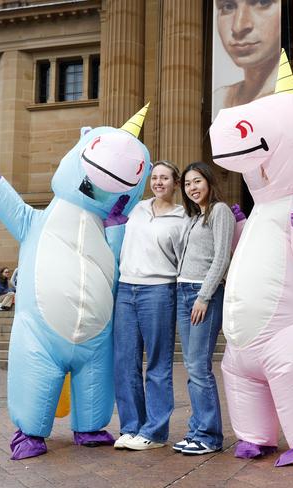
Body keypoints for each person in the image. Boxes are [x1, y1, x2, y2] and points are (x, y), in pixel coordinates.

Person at [112, 160, 187, 451]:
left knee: (157, 364)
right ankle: (131, 428)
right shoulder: (137, 209)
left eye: (165, 178)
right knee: (125, 362)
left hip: (159, 290)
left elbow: (182, 262)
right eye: (154, 177)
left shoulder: (182, 219)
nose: (158, 182)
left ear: (175, 184)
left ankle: (154, 432)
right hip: (126, 288)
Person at [173, 161, 234, 455]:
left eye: (196, 181)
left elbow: (222, 256)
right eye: (187, 184)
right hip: (183, 290)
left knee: (199, 366)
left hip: (202, 293)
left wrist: (204, 295)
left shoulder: (219, 211)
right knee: (192, 366)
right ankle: (197, 430)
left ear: (209, 181)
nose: (192, 188)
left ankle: (210, 436)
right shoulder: (194, 217)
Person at [212, 0, 281, 117]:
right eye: (228, 6)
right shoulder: (219, 99)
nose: (238, 27)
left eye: (263, 2)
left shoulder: (291, 100)